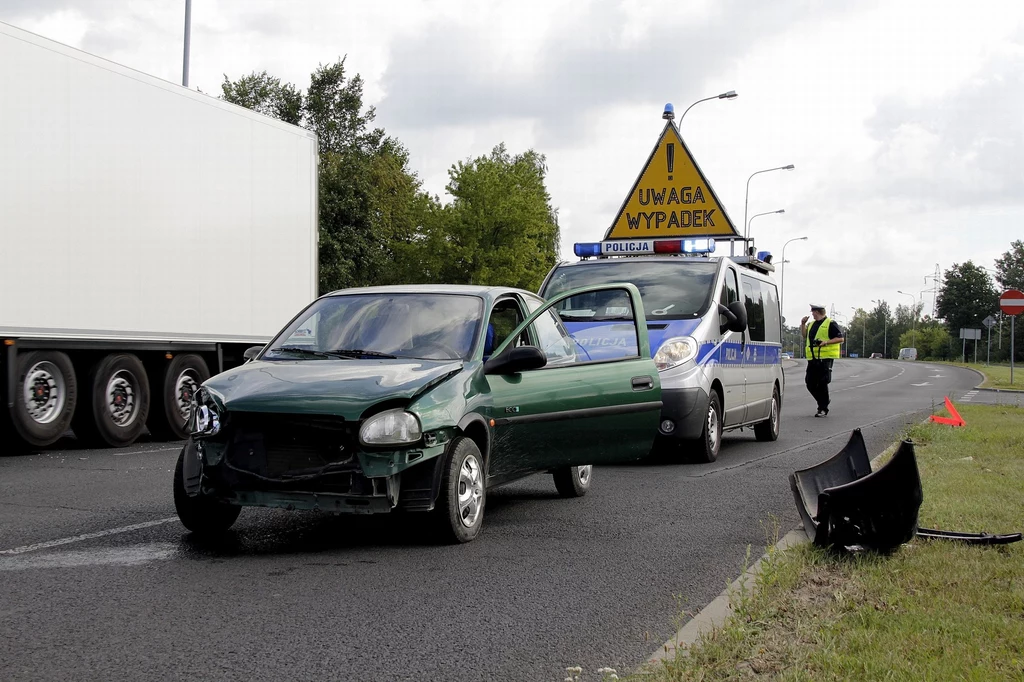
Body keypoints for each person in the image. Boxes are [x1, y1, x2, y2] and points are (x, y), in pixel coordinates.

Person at [800, 304, 843, 417]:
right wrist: (803, 324)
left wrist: (826, 342)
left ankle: (823, 408)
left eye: (813, 312)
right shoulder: (812, 324)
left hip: (825, 358)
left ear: (818, 312)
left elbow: (840, 338)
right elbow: (805, 335)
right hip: (813, 358)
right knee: (810, 383)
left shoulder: (830, 323)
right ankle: (823, 401)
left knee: (822, 382)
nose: (812, 314)